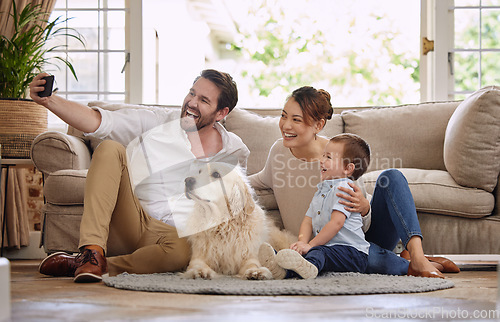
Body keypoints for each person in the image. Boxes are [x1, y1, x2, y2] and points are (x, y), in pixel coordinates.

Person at [30, 69, 250, 282]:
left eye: (204, 100)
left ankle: (96, 266)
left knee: (185, 251)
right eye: (192, 93)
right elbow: (97, 121)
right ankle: (92, 252)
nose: (191, 103)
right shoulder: (157, 122)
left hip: (173, 237)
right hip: (132, 218)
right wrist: (49, 100)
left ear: (221, 113)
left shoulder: (234, 151)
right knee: (109, 149)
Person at [250, 86, 459, 278]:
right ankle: (409, 261)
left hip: (356, 243)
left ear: (318, 125)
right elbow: (257, 182)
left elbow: (360, 224)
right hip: (319, 249)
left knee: (392, 177)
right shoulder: (279, 151)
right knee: (380, 264)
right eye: (284, 116)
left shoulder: (336, 157)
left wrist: (365, 208)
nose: (286, 125)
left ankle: (418, 257)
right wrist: (221, 180)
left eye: (296, 120)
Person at [259, 133, 371, 279]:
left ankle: (293, 271)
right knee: (310, 251)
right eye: (323, 155)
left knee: (317, 252)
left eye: (328, 157)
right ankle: (279, 264)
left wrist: (310, 245)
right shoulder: (321, 191)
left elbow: (336, 223)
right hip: (330, 250)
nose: (322, 160)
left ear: (348, 169)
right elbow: (308, 220)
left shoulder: (344, 189)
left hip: (353, 254)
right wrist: (301, 243)